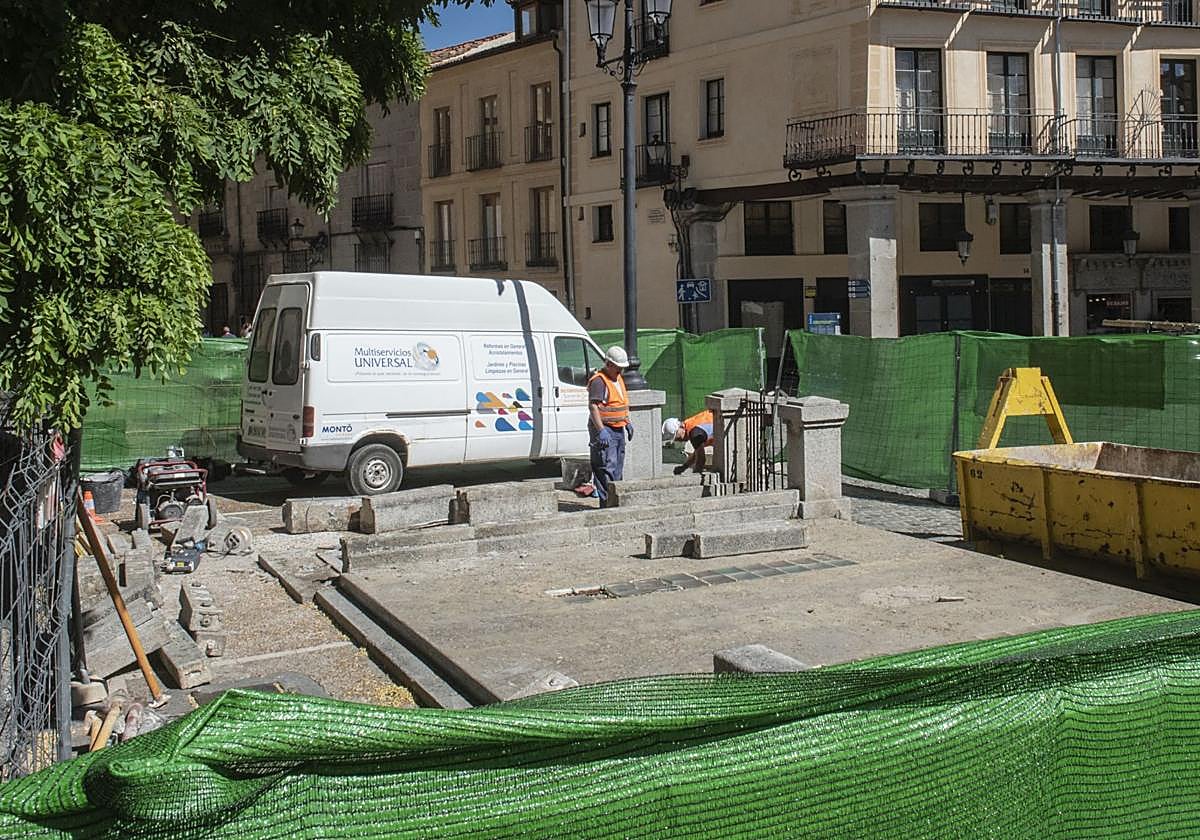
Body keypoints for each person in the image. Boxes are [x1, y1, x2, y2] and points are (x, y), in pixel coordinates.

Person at [584, 346, 633, 508]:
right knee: (605, 466)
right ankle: (606, 503)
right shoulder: (599, 381)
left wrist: (627, 421)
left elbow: (620, 403)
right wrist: (601, 430)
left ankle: (614, 501)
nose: (621, 371)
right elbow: (593, 407)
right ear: (609, 364)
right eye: (618, 367)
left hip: (618, 428)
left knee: (617, 467)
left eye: (622, 368)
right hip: (605, 429)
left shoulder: (618, 379)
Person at [662, 410, 714, 475]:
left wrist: (695, 476)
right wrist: (684, 467)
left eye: (677, 437)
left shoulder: (694, 433)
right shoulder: (691, 425)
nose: (679, 440)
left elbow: (701, 460)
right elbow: (698, 453)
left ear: (681, 427)